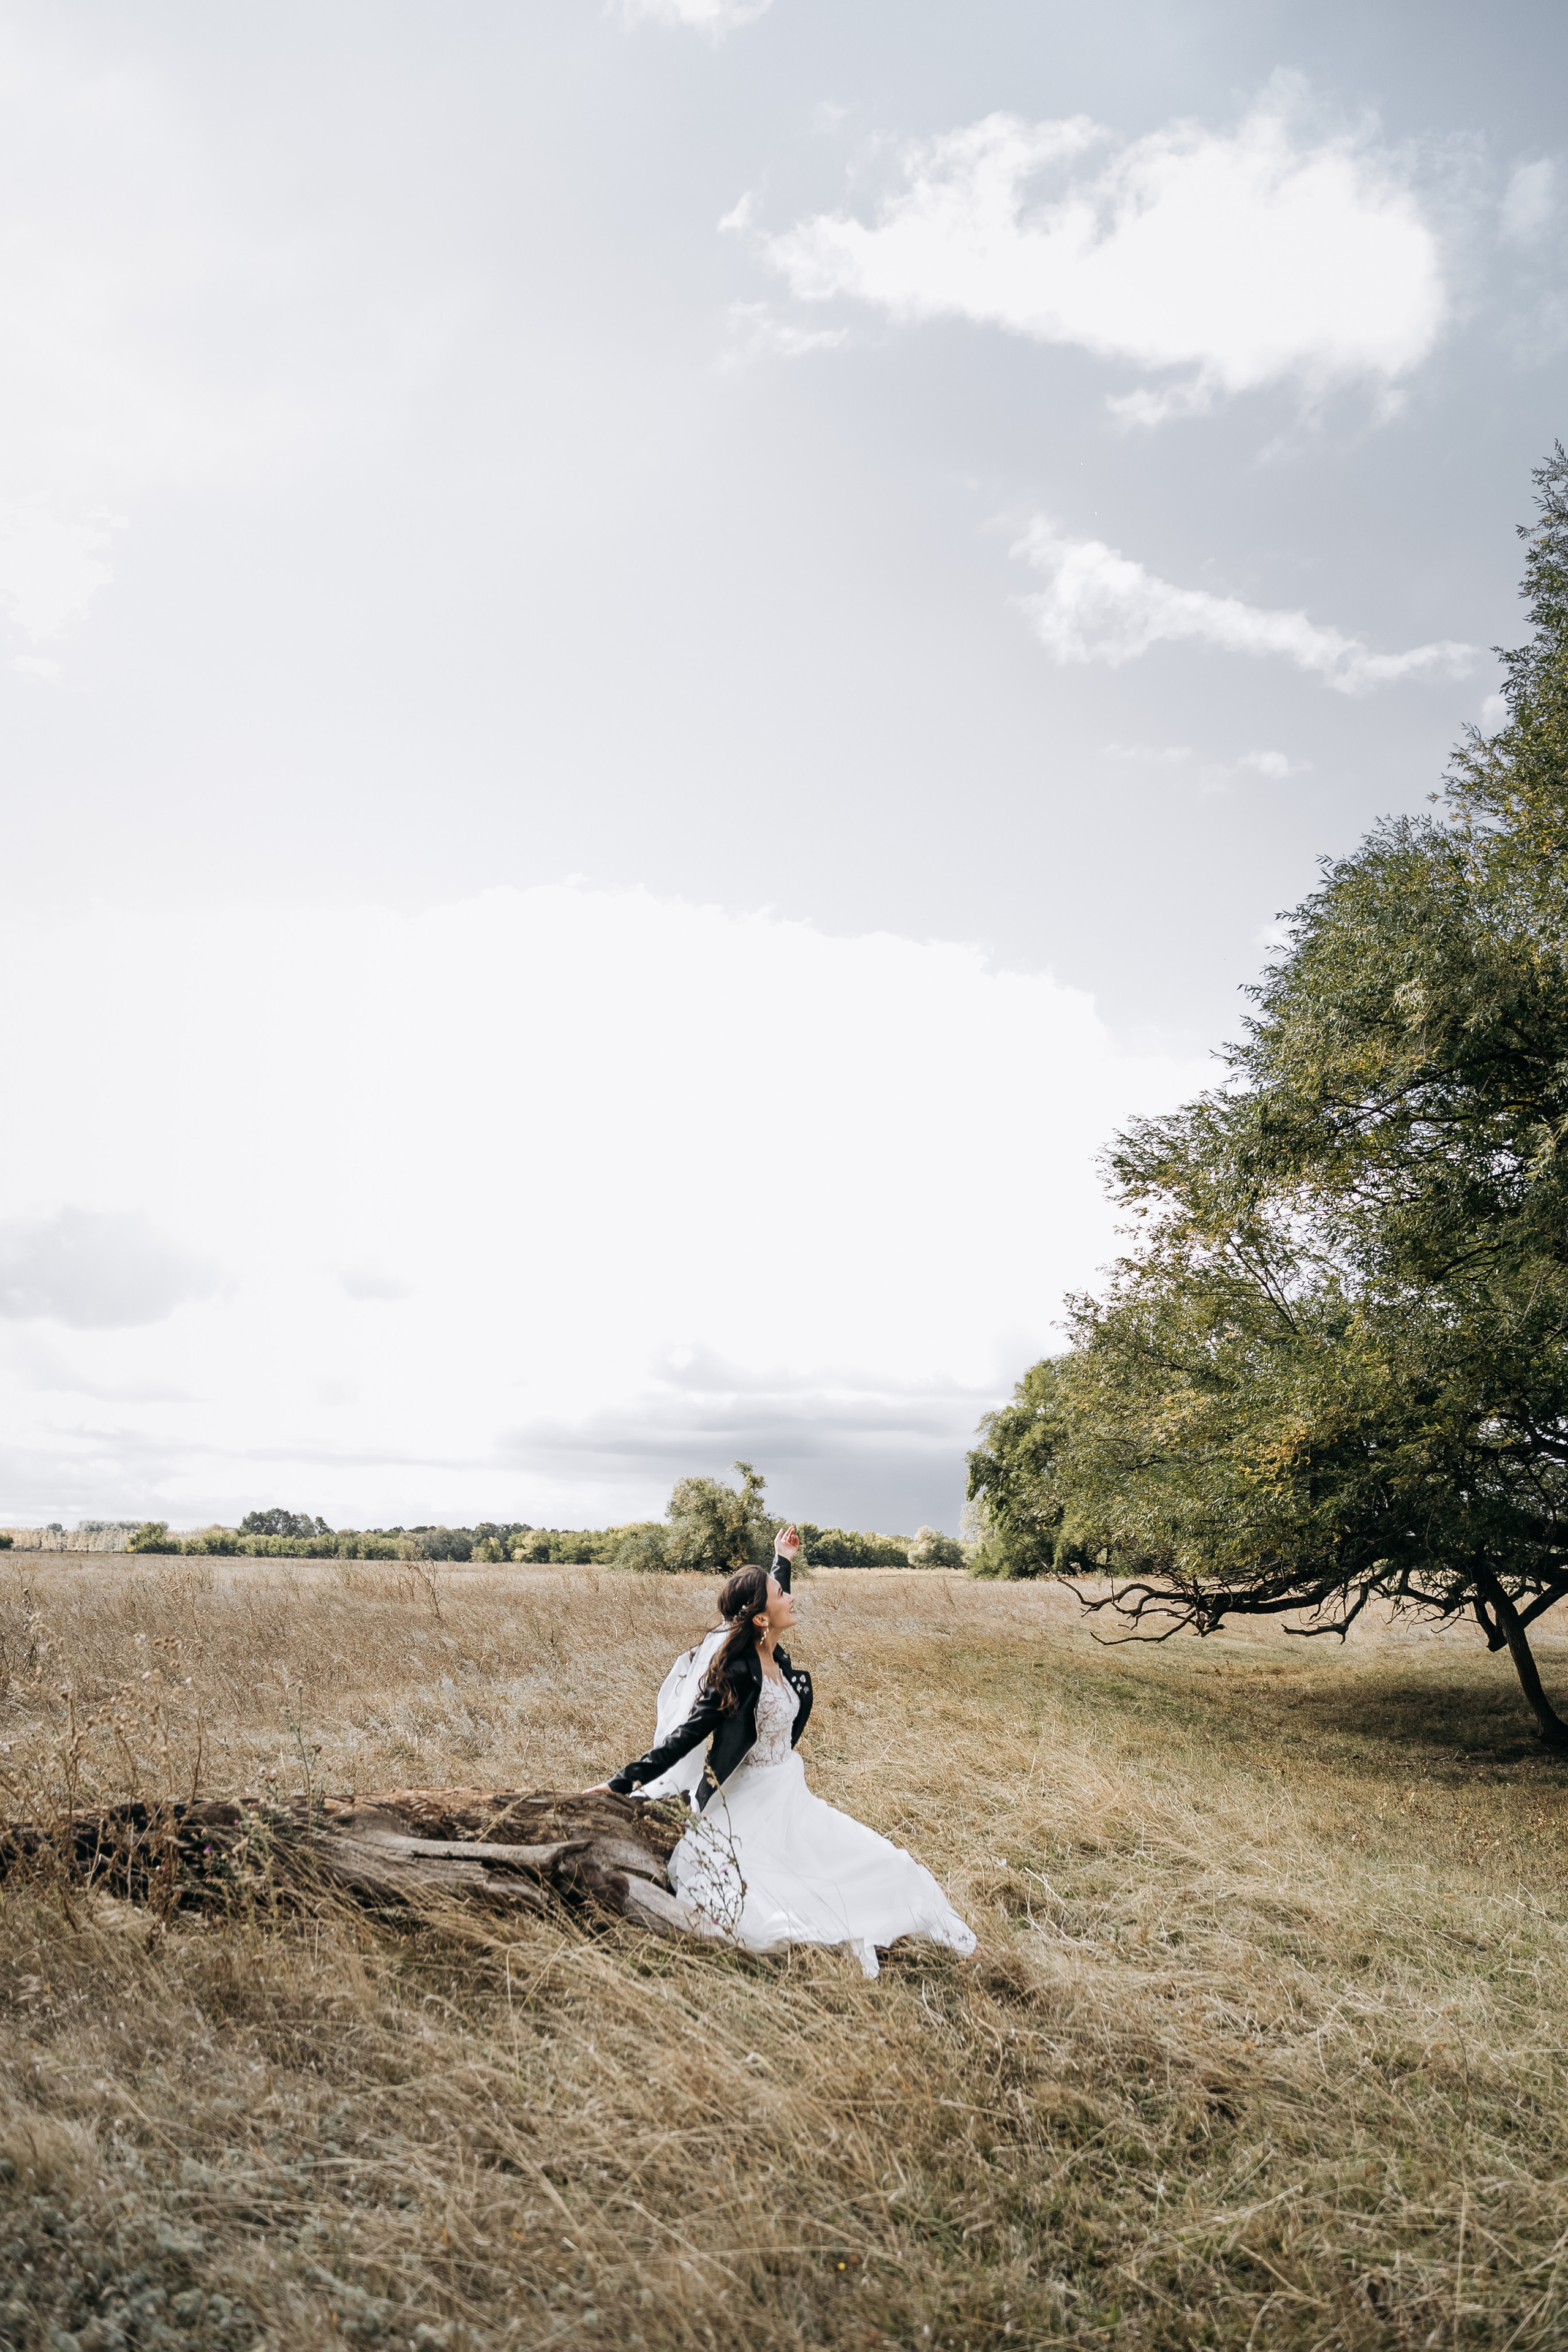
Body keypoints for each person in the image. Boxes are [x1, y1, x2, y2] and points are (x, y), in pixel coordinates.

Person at [587, 1525, 976, 1978]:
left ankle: (921, 1924)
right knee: (773, 1899)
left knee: (890, 1864)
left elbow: (770, 1598)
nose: (790, 1597)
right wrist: (619, 1784)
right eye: (780, 1594)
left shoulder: (774, 1653)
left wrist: (782, 1559)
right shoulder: (737, 1672)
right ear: (759, 1618)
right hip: (746, 1810)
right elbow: (684, 1739)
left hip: (792, 1795)